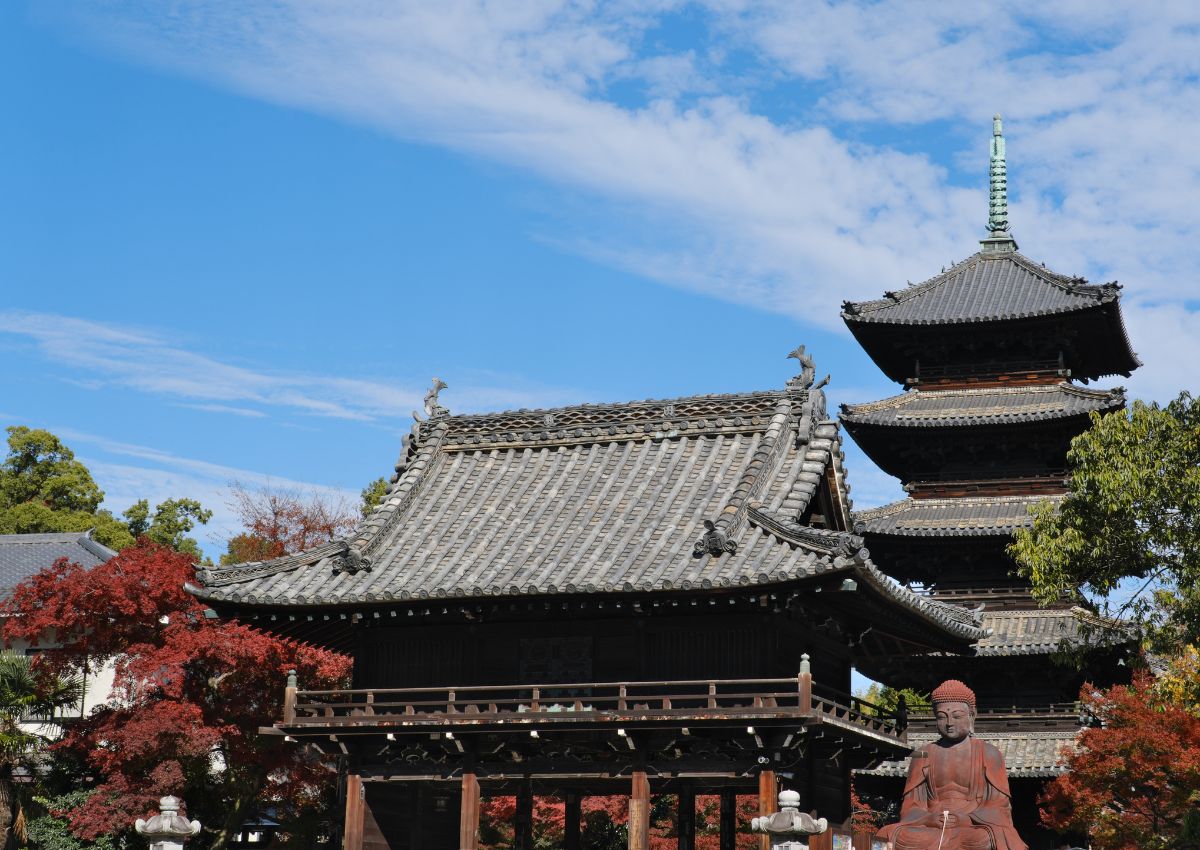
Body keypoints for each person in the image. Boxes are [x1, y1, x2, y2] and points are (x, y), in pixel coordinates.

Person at [876, 680, 1026, 850]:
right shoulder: (924, 754)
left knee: (985, 838)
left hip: (972, 827)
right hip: (932, 826)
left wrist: (967, 818)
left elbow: (1000, 807)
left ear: (972, 715)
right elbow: (911, 806)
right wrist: (929, 819)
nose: (949, 723)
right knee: (890, 834)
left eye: (956, 716)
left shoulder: (989, 753)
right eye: (942, 716)